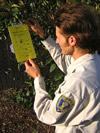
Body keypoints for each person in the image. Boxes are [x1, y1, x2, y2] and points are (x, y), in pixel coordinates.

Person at [25, 3, 100, 133]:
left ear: (72, 40)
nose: (57, 41)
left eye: (58, 37)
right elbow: (65, 62)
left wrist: (38, 79)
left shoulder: (78, 84)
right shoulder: (93, 60)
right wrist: (43, 36)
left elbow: (47, 113)